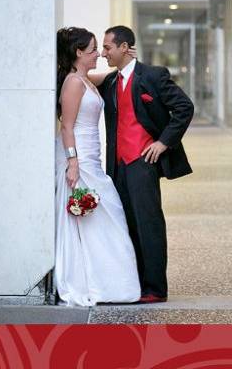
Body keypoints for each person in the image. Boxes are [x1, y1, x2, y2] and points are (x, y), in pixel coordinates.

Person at [91, 26, 194, 303]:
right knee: (127, 225)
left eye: (108, 47)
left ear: (124, 47)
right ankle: (134, 283)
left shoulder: (153, 75)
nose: (103, 53)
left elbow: (185, 107)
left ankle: (155, 289)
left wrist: (163, 142)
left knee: (148, 224)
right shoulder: (112, 82)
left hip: (142, 162)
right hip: (117, 166)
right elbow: (82, 76)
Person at [54, 27, 140, 306]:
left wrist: (128, 60)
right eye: (93, 50)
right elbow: (66, 126)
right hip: (79, 159)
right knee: (95, 218)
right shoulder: (74, 83)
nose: (99, 55)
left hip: (93, 158)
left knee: (106, 216)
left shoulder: (86, 80)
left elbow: (115, 76)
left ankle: (110, 283)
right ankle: (97, 283)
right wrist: (72, 162)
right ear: (79, 53)